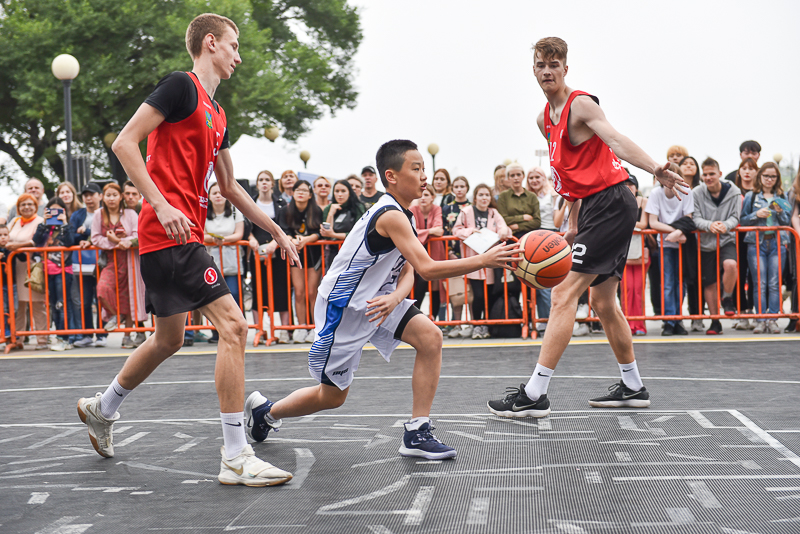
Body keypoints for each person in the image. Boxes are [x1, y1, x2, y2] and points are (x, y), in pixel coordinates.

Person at [80, 13, 299, 488]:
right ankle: (236, 455)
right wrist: (161, 204)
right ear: (211, 42)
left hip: (180, 237)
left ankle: (103, 407)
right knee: (234, 326)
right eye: (234, 46)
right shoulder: (181, 86)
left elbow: (231, 188)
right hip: (169, 234)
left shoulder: (218, 115)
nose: (239, 56)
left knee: (169, 340)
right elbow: (125, 143)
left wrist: (276, 230)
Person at [243, 139, 520, 460]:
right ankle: (266, 412)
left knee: (430, 338)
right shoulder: (390, 216)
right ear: (391, 176)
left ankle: (417, 431)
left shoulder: (404, 215)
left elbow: (409, 271)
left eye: (424, 168)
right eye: (416, 168)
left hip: (378, 301)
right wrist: (484, 260)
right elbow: (427, 269)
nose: (424, 176)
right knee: (332, 397)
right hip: (344, 308)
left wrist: (395, 299)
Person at [488, 37, 686, 418]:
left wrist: (654, 169)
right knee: (602, 302)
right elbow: (571, 177)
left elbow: (615, 139)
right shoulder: (544, 120)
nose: (548, 70)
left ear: (565, 68)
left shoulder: (580, 104)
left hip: (611, 201)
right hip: (596, 206)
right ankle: (633, 386)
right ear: (533, 70)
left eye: (554, 64)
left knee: (564, 293)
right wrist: (574, 224)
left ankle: (534, 393)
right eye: (541, 64)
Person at [452, 183, 512, 339]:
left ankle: (487, 325)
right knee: (478, 295)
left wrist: (504, 231)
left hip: (491, 260)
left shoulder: (494, 212)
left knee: (491, 293)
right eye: (481, 195)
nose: (484, 198)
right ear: (475, 197)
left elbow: (504, 228)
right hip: (474, 260)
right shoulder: (466, 212)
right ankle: (477, 325)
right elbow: (456, 230)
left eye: (487, 195)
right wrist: (470, 231)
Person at [91, 183, 145, 350]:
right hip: (111, 261)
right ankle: (115, 315)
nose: (111, 198)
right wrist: (114, 244)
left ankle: (127, 336)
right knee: (103, 289)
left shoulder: (130, 213)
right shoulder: (99, 214)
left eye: (115, 195)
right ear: (103, 197)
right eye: (108, 195)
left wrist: (119, 241)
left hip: (130, 261)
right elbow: (95, 238)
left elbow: (137, 234)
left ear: (120, 197)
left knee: (129, 298)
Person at [740, 162, 791, 334]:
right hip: (756, 243)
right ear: (760, 176)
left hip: (777, 242)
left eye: (773, 176)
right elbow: (743, 220)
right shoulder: (751, 196)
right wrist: (756, 214)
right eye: (766, 176)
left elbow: (786, 222)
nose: (769, 179)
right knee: (759, 283)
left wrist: (779, 211)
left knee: (774, 283)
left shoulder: (781, 196)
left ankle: (772, 319)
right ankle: (761, 319)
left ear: (777, 178)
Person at [693, 157, 741, 335]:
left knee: (731, 265)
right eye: (705, 174)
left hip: (726, 238)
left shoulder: (734, 192)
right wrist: (709, 225)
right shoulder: (697, 192)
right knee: (710, 283)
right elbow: (695, 217)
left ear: (720, 174)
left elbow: (735, 216)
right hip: (706, 241)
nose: (708, 177)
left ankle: (727, 298)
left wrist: (725, 225)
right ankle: (715, 321)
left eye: (711, 174)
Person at [645, 164, 694, 336]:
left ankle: (677, 319)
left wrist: (678, 233)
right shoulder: (656, 194)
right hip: (665, 243)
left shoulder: (686, 192)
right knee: (667, 283)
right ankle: (668, 320)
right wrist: (676, 232)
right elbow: (653, 222)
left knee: (680, 283)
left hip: (681, 244)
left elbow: (688, 218)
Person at [248, 170, 291, 344]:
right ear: (257, 184)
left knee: (281, 290)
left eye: (267, 180)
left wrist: (275, 242)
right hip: (257, 254)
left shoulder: (281, 204)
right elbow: (246, 226)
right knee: (258, 290)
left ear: (272, 183)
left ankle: (284, 330)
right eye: (261, 180)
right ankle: (260, 329)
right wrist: (250, 238)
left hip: (277, 253)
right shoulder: (250, 202)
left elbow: (285, 227)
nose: (264, 182)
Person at [278, 179, 322, 344]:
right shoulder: (285, 210)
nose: (301, 193)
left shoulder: (316, 210)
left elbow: (320, 232)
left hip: (313, 255)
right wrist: (292, 240)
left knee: (312, 292)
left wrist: (307, 239)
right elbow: (283, 230)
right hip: (295, 254)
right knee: (299, 291)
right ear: (293, 193)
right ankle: (301, 326)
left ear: (310, 194)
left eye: (304, 190)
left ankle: (315, 328)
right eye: (298, 190)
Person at [33, 198, 77, 351]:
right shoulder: (45, 227)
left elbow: (70, 242)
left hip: (63, 271)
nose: (55, 214)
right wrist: (44, 223)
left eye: (59, 211)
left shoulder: (68, 226)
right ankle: (59, 336)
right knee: (54, 305)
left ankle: (65, 338)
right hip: (48, 270)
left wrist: (64, 223)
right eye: (52, 211)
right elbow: (36, 241)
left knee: (62, 304)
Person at [205, 181, 245, 343]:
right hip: (211, 262)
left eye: (221, 193)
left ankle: (236, 328)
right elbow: (201, 234)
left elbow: (239, 234)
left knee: (234, 294)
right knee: (214, 298)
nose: (218, 196)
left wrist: (223, 240)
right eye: (214, 193)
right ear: (209, 196)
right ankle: (217, 331)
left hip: (232, 261)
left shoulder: (235, 212)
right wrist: (213, 239)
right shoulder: (203, 213)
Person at [7, 194, 47, 350]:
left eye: (30, 204)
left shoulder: (40, 222)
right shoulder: (14, 221)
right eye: (23, 205)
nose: (26, 207)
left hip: (32, 268)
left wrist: (17, 246)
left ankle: (42, 339)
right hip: (14, 267)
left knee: (37, 304)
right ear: (18, 207)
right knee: (18, 306)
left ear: (36, 206)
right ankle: (18, 338)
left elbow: (39, 242)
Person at [70, 182, 107, 348]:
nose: (88, 198)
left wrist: (85, 233)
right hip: (81, 264)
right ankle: (86, 334)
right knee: (84, 301)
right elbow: (70, 237)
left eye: (91, 194)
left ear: (100, 196)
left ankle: (102, 334)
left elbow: (106, 233)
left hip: (102, 263)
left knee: (101, 298)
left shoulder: (106, 213)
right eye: (85, 195)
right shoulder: (78, 215)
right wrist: (82, 237)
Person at [526, 166, 559, 334]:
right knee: (539, 282)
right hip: (535, 236)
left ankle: (553, 320)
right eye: (531, 178)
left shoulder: (552, 194)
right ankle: (543, 319)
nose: (534, 181)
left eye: (537, 177)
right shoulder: (528, 196)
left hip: (550, 234)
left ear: (544, 178)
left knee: (548, 283)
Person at [441, 176, 471, 338]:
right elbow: (445, 231)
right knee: (456, 290)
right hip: (453, 253)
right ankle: (457, 324)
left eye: (462, 186)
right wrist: (449, 252)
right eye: (456, 186)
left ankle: (473, 323)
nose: (459, 189)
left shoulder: (472, 207)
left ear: (467, 188)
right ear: (452, 189)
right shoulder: (447, 208)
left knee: (471, 289)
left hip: (471, 252)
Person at [410, 184, 445, 318]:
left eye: (426, 195)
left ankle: (433, 316)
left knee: (435, 283)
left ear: (432, 197)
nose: (423, 198)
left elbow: (439, 230)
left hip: (434, 250)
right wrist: (430, 232)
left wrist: (421, 233)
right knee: (418, 281)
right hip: (416, 251)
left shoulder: (437, 209)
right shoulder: (412, 209)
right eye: (421, 195)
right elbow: (410, 231)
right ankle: (415, 313)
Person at [620, 175, 649, 335]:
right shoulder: (617, 201)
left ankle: (639, 325)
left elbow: (644, 224)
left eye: (631, 184)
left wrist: (624, 224)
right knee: (627, 289)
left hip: (639, 250)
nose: (628, 187)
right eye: (625, 184)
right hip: (622, 250)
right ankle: (627, 325)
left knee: (638, 289)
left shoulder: (643, 202)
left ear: (636, 188)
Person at [732, 158, 759, 330]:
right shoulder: (733, 191)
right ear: (739, 171)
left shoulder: (760, 192)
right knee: (739, 274)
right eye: (744, 168)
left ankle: (756, 312)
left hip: (756, 237)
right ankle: (741, 312)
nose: (747, 171)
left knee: (756, 276)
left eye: (751, 168)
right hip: (737, 237)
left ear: (757, 172)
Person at [320, 179, 366, 270]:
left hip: (353, 251)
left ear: (349, 192)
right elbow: (326, 233)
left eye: (343, 191)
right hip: (334, 252)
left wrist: (334, 235)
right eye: (337, 191)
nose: (340, 194)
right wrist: (331, 214)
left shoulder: (358, 207)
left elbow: (358, 233)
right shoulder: (328, 208)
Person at [497, 162, 541, 238]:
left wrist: (517, 226)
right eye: (512, 175)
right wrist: (523, 217)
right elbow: (503, 219)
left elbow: (537, 222)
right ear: (508, 178)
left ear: (523, 176)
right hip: (511, 237)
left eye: (518, 174)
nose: (516, 178)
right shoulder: (503, 196)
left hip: (530, 236)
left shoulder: (532, 196)